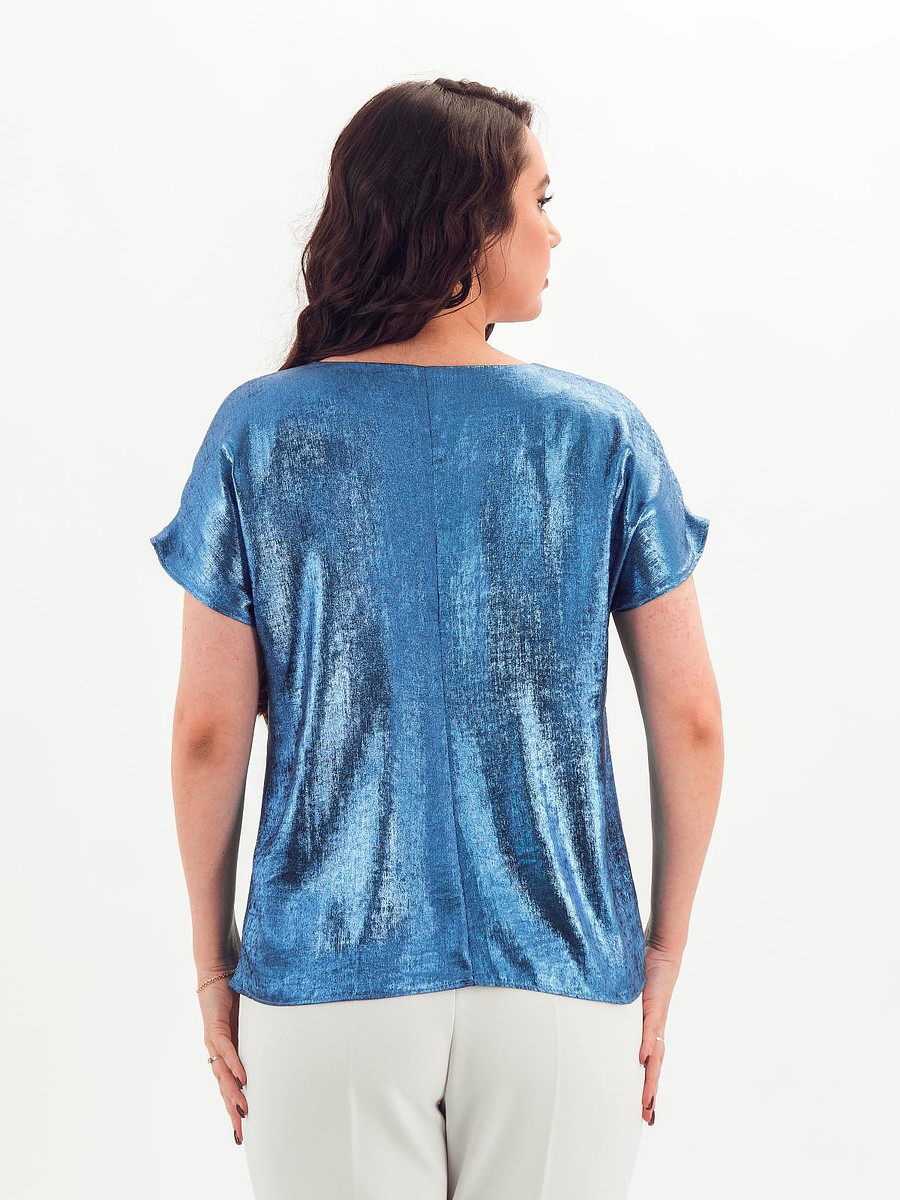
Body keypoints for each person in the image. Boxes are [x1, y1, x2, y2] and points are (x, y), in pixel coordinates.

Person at [150, 77, 723, 1200]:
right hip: (563, 984)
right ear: (465, 223)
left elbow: (210, 733)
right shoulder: (602, 434)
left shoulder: (258, 431)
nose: (555, 232)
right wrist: (664, 949)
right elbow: (692, 720)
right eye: (538, 201)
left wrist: (214, 964)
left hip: (326, 986)